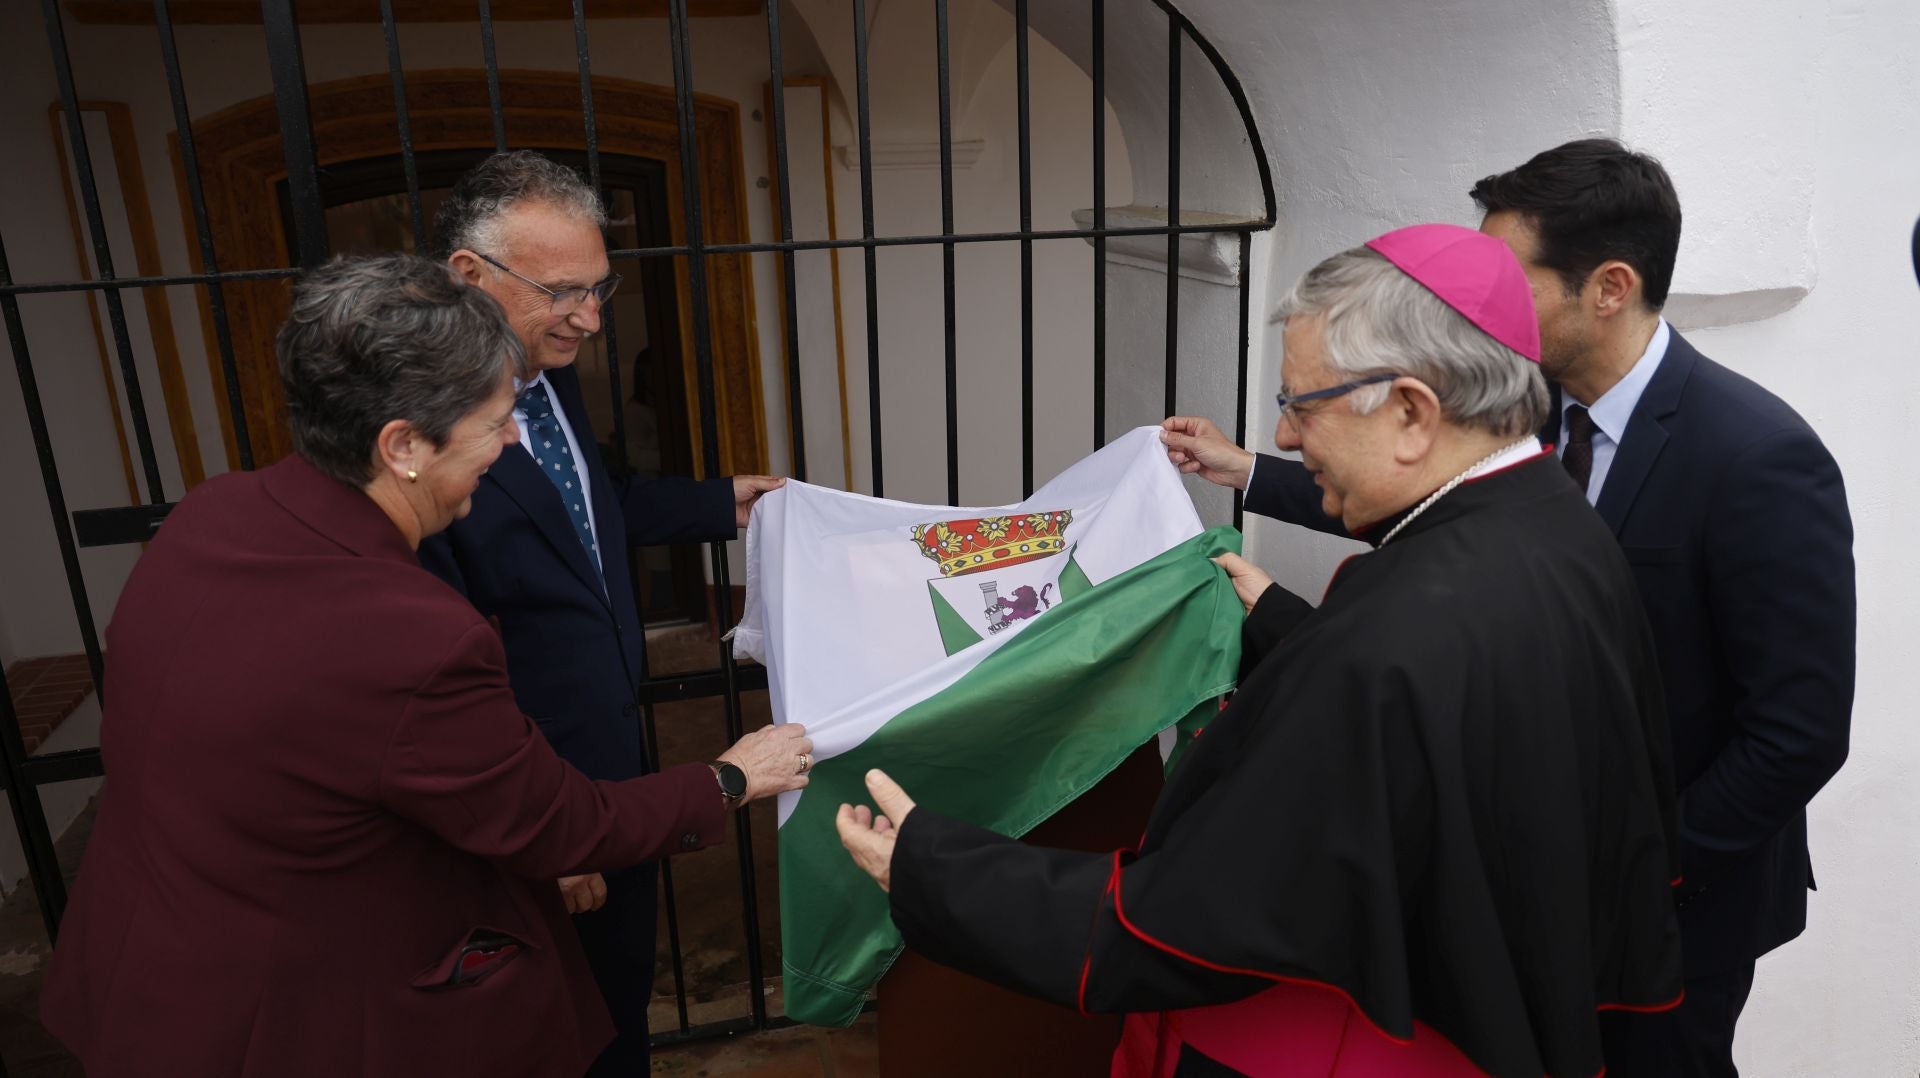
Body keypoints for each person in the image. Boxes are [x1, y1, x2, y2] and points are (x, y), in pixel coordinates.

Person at [840, 225, 1685, 1077]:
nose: (1283, 437)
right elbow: (1451, 717)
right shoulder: (1559, 525)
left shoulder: (1386, 637)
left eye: (1301, 403)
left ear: (1410, 413)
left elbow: (1193, 923)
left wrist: (936, 870)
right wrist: (1287, 622)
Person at [1166, 141, 1856, 1076]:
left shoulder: (1757, 455)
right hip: (1528, 884)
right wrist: (1250, 472)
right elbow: (1438, 524)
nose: (1467, 303)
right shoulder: (1529, 411)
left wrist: (1638, 865)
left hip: (1682, 902)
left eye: (1505, 273)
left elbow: (1798, 732)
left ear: (1609, 287)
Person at [37, 255, 812, 1078]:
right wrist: (728, 778)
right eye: (494, 422)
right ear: (403, 445)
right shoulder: (412, 638)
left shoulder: (208, 515)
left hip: (149, 967)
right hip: (295, 1017)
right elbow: (557, 824)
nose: (513, 441)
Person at [419, 151, 784, 1075]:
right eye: (564, 292)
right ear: (471, 276)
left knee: (616, 998)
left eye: (601, 287)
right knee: (549, 1023)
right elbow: (442, 665)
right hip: (530, 794)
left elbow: (593, 502)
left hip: (614, 756)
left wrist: (719, 501)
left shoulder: (551, 373)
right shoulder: (425, 437)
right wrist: (538, 830)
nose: (590, 317)